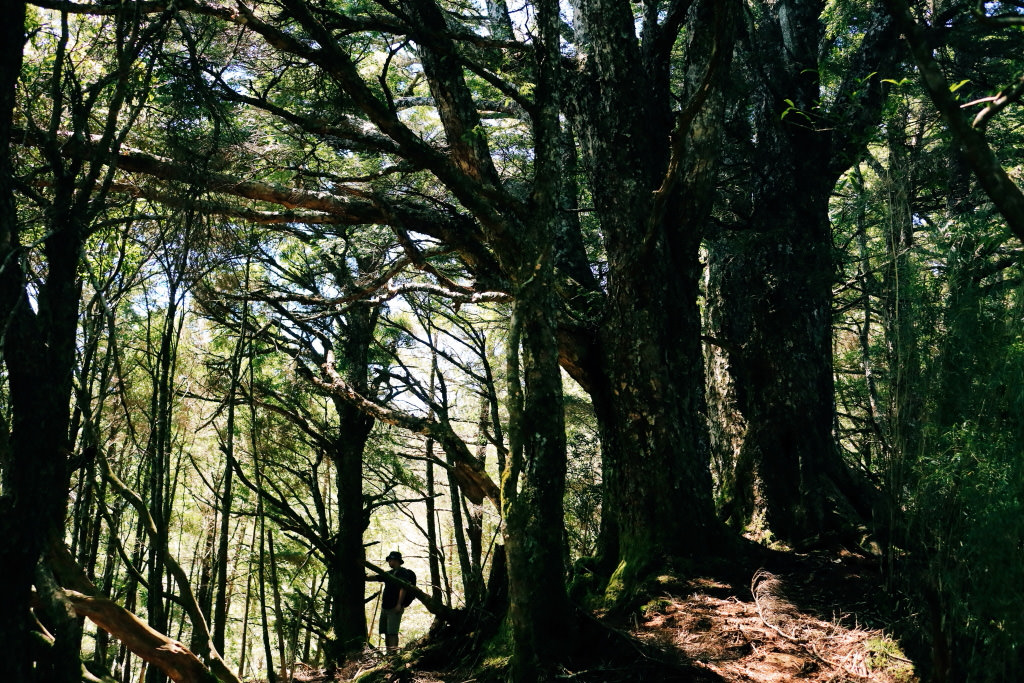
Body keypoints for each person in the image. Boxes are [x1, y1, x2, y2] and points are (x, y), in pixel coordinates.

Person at [370, 551, 416, 652]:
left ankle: (393, 655)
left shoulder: (402, 572)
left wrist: (399, 604)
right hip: (385, 607)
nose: (389, 562)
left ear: (396, 560)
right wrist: (364, 577)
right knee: (386, 632)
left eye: (390, 560)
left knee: (392, 633)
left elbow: (403, 588)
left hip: (394, 608)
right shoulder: (389, 573)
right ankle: (389, 653)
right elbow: (377, 577)